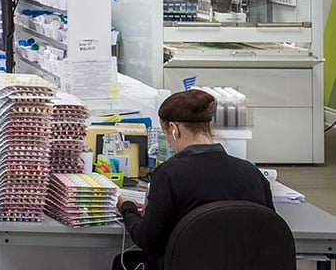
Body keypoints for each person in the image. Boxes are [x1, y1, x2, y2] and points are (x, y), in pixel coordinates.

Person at [112, 89, 273, 269]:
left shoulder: (168, 174)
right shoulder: (252, 174)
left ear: (174, 129)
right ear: (209, 126)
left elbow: (147, 240)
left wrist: (127, 207)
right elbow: (269, 230)